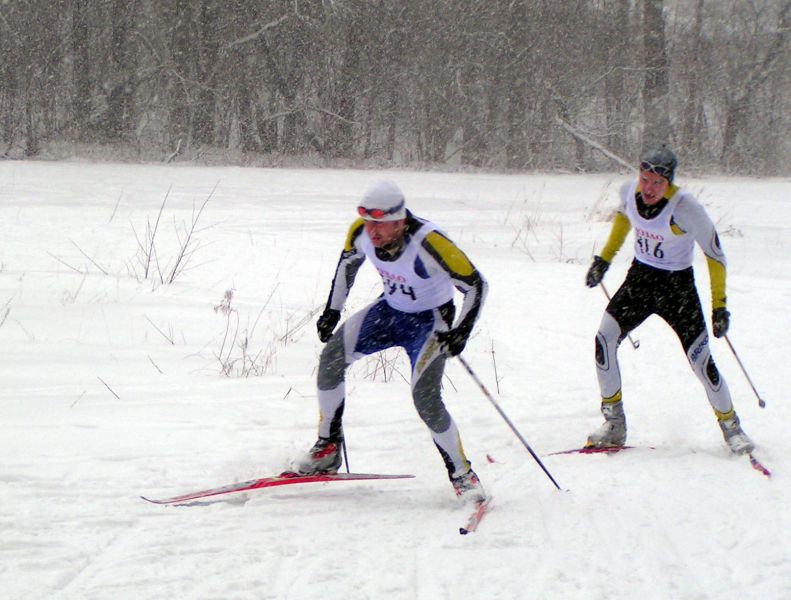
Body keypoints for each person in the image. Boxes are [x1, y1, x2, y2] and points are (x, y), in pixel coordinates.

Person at [296, 180, 489, 501]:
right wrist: (332, 310)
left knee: (425, 399)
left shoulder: (430, 242)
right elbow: (347, 265)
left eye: (380, 225)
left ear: (400, 221)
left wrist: (462, 331)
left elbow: (476, 284)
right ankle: (328, 448)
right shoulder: (360, 232)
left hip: (430, 323)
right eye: (368, 223)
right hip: (390, 312)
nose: (372, 232)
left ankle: (463, 474)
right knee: (331, 358)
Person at [584, 145, 755, 454]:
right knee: (603, 339)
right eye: (645, 179)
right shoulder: (627, 192)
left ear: (669, 182)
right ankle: (614, 422)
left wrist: (720, 307)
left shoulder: (686, 208)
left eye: (657, 183)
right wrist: (603, 260)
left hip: (677, 288)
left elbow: (715, 257)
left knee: (701, 362)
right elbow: (624, 219)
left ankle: (732, 427)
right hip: (641, 281)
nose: (649, 189)